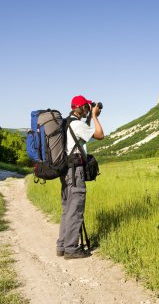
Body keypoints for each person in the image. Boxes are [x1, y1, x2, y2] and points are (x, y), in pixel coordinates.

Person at [56, 95, 104, 259]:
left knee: (67, 209)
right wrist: (95, 117)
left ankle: (62, 245)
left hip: (66, 172)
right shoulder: (77, 124)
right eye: (87, 107)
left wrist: (90, 117)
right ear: (82, 107)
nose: (88, 110)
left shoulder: (67, 123)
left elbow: (81, 138)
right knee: (75, 210)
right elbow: (99, 135)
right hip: (75, 172)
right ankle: (71, 249)